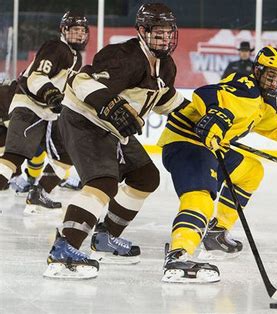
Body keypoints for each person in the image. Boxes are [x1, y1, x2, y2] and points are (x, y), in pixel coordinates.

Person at [158, 45, 277, 283]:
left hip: (213, 147)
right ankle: (179, 254)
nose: (275, 82)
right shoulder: (245, 89)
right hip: (188, 142)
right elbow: (205, 93)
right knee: (200, 196)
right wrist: (216, 115)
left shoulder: (261, 102)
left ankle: (215, 232)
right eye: (271, 75)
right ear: (257, 71)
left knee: (251, 170)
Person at [43, 3, 188, 279]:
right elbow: (81, 82)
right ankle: (63, 250)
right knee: (103, 182)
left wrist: (200, 118)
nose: (165, 39)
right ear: (142, 32)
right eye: (158, 34)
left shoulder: (165, 65)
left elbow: (166, 101)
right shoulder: (124, 56)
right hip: (84, 119)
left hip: (112, 128)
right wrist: (110, 105)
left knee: (146, 177)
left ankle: (105, 236)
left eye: (168, 33)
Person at [0, 12, 89, 214]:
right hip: (29, 106)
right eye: (74, 30)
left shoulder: (76, 57)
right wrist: (51, 95)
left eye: (82, 31)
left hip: (48, 114)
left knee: (68, 154)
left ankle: (38, 193)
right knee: (14, 156)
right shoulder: (56, 47)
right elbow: (36, 77)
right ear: (63, 30)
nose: (79, 35)